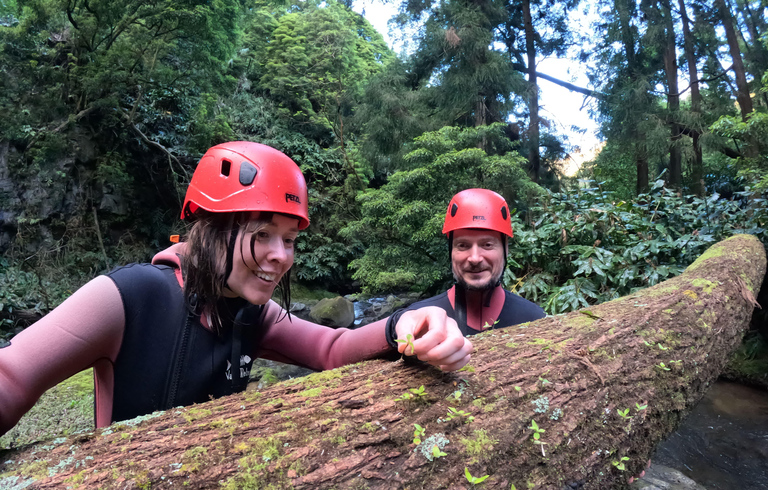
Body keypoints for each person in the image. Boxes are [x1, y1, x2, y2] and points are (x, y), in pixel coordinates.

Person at [0, 141, 472, 435]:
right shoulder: (130, 297)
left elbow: (332, 348)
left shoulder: (251, 313)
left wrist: (406, 323)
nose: (281, 255)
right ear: (209, 228)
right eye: (262, 233)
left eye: (290, 240)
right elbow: (13, 376)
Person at [386, 188, 545, 346]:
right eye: (462, 245)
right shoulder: (417, 324)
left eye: (487, 245)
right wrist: (394, 327)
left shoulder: (535, 319)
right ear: (451, 251)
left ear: (506, 249)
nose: (475, 258)